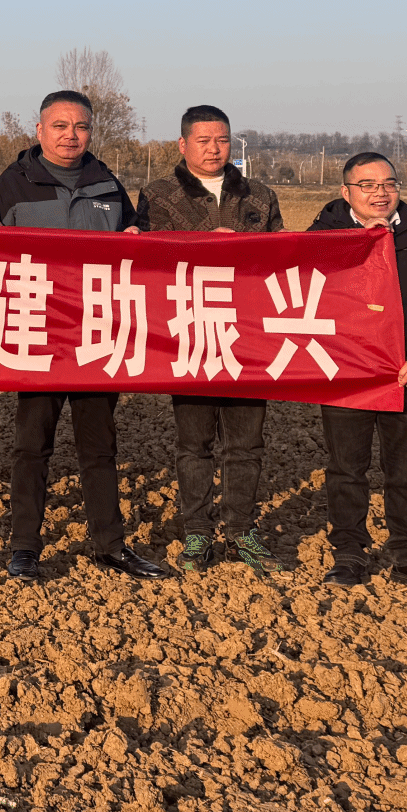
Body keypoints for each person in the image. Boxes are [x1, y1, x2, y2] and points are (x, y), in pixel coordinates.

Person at [0, 91, 168, 582]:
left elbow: (137, 252)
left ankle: (110, 545)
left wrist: (135, 238)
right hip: (37, 334)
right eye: (60, 126)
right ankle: (25, 547)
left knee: (99, 447)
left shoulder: (107, 183)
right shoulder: (12, 184)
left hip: (95, 335)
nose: (71, 135)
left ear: (91, 131)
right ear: (39, 131)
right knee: (31, 447)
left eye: (80, 126)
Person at [134, 105, 287, 577]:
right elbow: (149, 259)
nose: (213, 149)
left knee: (246, 443)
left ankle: (241, 528)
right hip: (191, 331)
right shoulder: (158, 195)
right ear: (183, 145)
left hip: (247, 336)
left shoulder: (259, 196)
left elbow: (281, 258)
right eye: (203, 141)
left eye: (221, 140)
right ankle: (197, 529)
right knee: (194, 442)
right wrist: (206, 241)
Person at [309, 153, 407, 592]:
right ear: (346, 193)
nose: (380, 192)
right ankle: (349, 555)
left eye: (388, 183)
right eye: (367, 185)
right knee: (346, 469)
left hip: (406, 375)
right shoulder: (320, 241)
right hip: (346, 376)